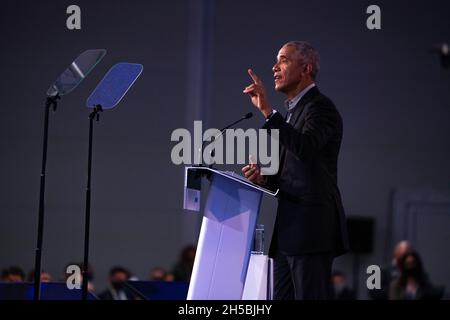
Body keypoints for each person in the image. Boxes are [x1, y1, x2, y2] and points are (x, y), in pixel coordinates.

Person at [242, 41, 349, 300]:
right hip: (289, 234)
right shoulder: (294, 112)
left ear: (306, 68)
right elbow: (297, 171)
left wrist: (268, 111)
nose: (274, 67)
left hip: (311, 232)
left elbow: (307, 147)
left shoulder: (320, 108)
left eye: (283, 60)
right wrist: (265, 178)